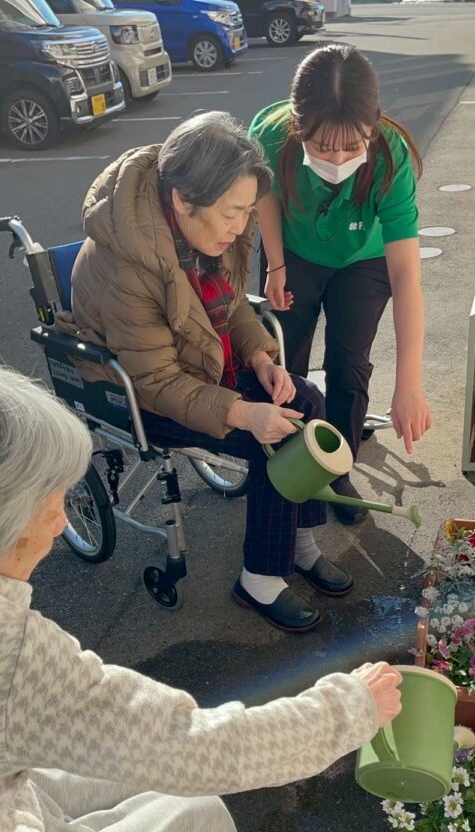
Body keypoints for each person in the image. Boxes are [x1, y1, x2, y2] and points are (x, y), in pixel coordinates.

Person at [0, 360, 402, 832]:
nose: (62, 522)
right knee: (195, 813)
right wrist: (347, 711)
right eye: (52, 501)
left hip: (1, 809)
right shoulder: (5, 650)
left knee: (121, 771)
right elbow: (190, 743)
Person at [68, 112, 351, 635]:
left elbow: (233, 304)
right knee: (276, 441)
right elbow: (156, 381)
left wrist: (262, 359)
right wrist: (244, 413)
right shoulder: (126, 264)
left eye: (247, 211)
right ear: (182, 199)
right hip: (140, 392)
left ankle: (300, 543)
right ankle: (259, 579)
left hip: (201, 364)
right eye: (232, 213)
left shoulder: (201, 226)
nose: (241, 227)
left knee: (306, 400)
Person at [248, 44, 432, 525]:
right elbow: (264, 199)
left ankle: (336, 467)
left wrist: (409, 386)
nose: (338, 158)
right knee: (285, 361)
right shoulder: (269, 135)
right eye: (322, 146)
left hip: (363, 260)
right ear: (298, 127)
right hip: (294, 253)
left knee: (349, 364)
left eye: (353, 145)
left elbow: (406, 278)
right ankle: (286, 460)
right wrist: (275, 264)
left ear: (373, 124)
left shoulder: (391, 156)